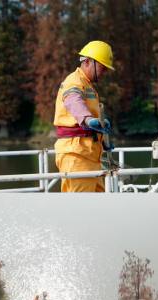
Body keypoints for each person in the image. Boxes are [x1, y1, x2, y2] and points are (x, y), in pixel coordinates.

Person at [53, 40, 115, 192]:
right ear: (88, 62)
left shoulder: (88, 85)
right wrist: (88, 119)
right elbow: (73, 100)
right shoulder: (74, 81)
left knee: (96, 207)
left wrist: (103, 138)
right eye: (102, 67)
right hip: (77, 155)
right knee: (82, 209)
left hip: (89, 156)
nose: (104, 72)